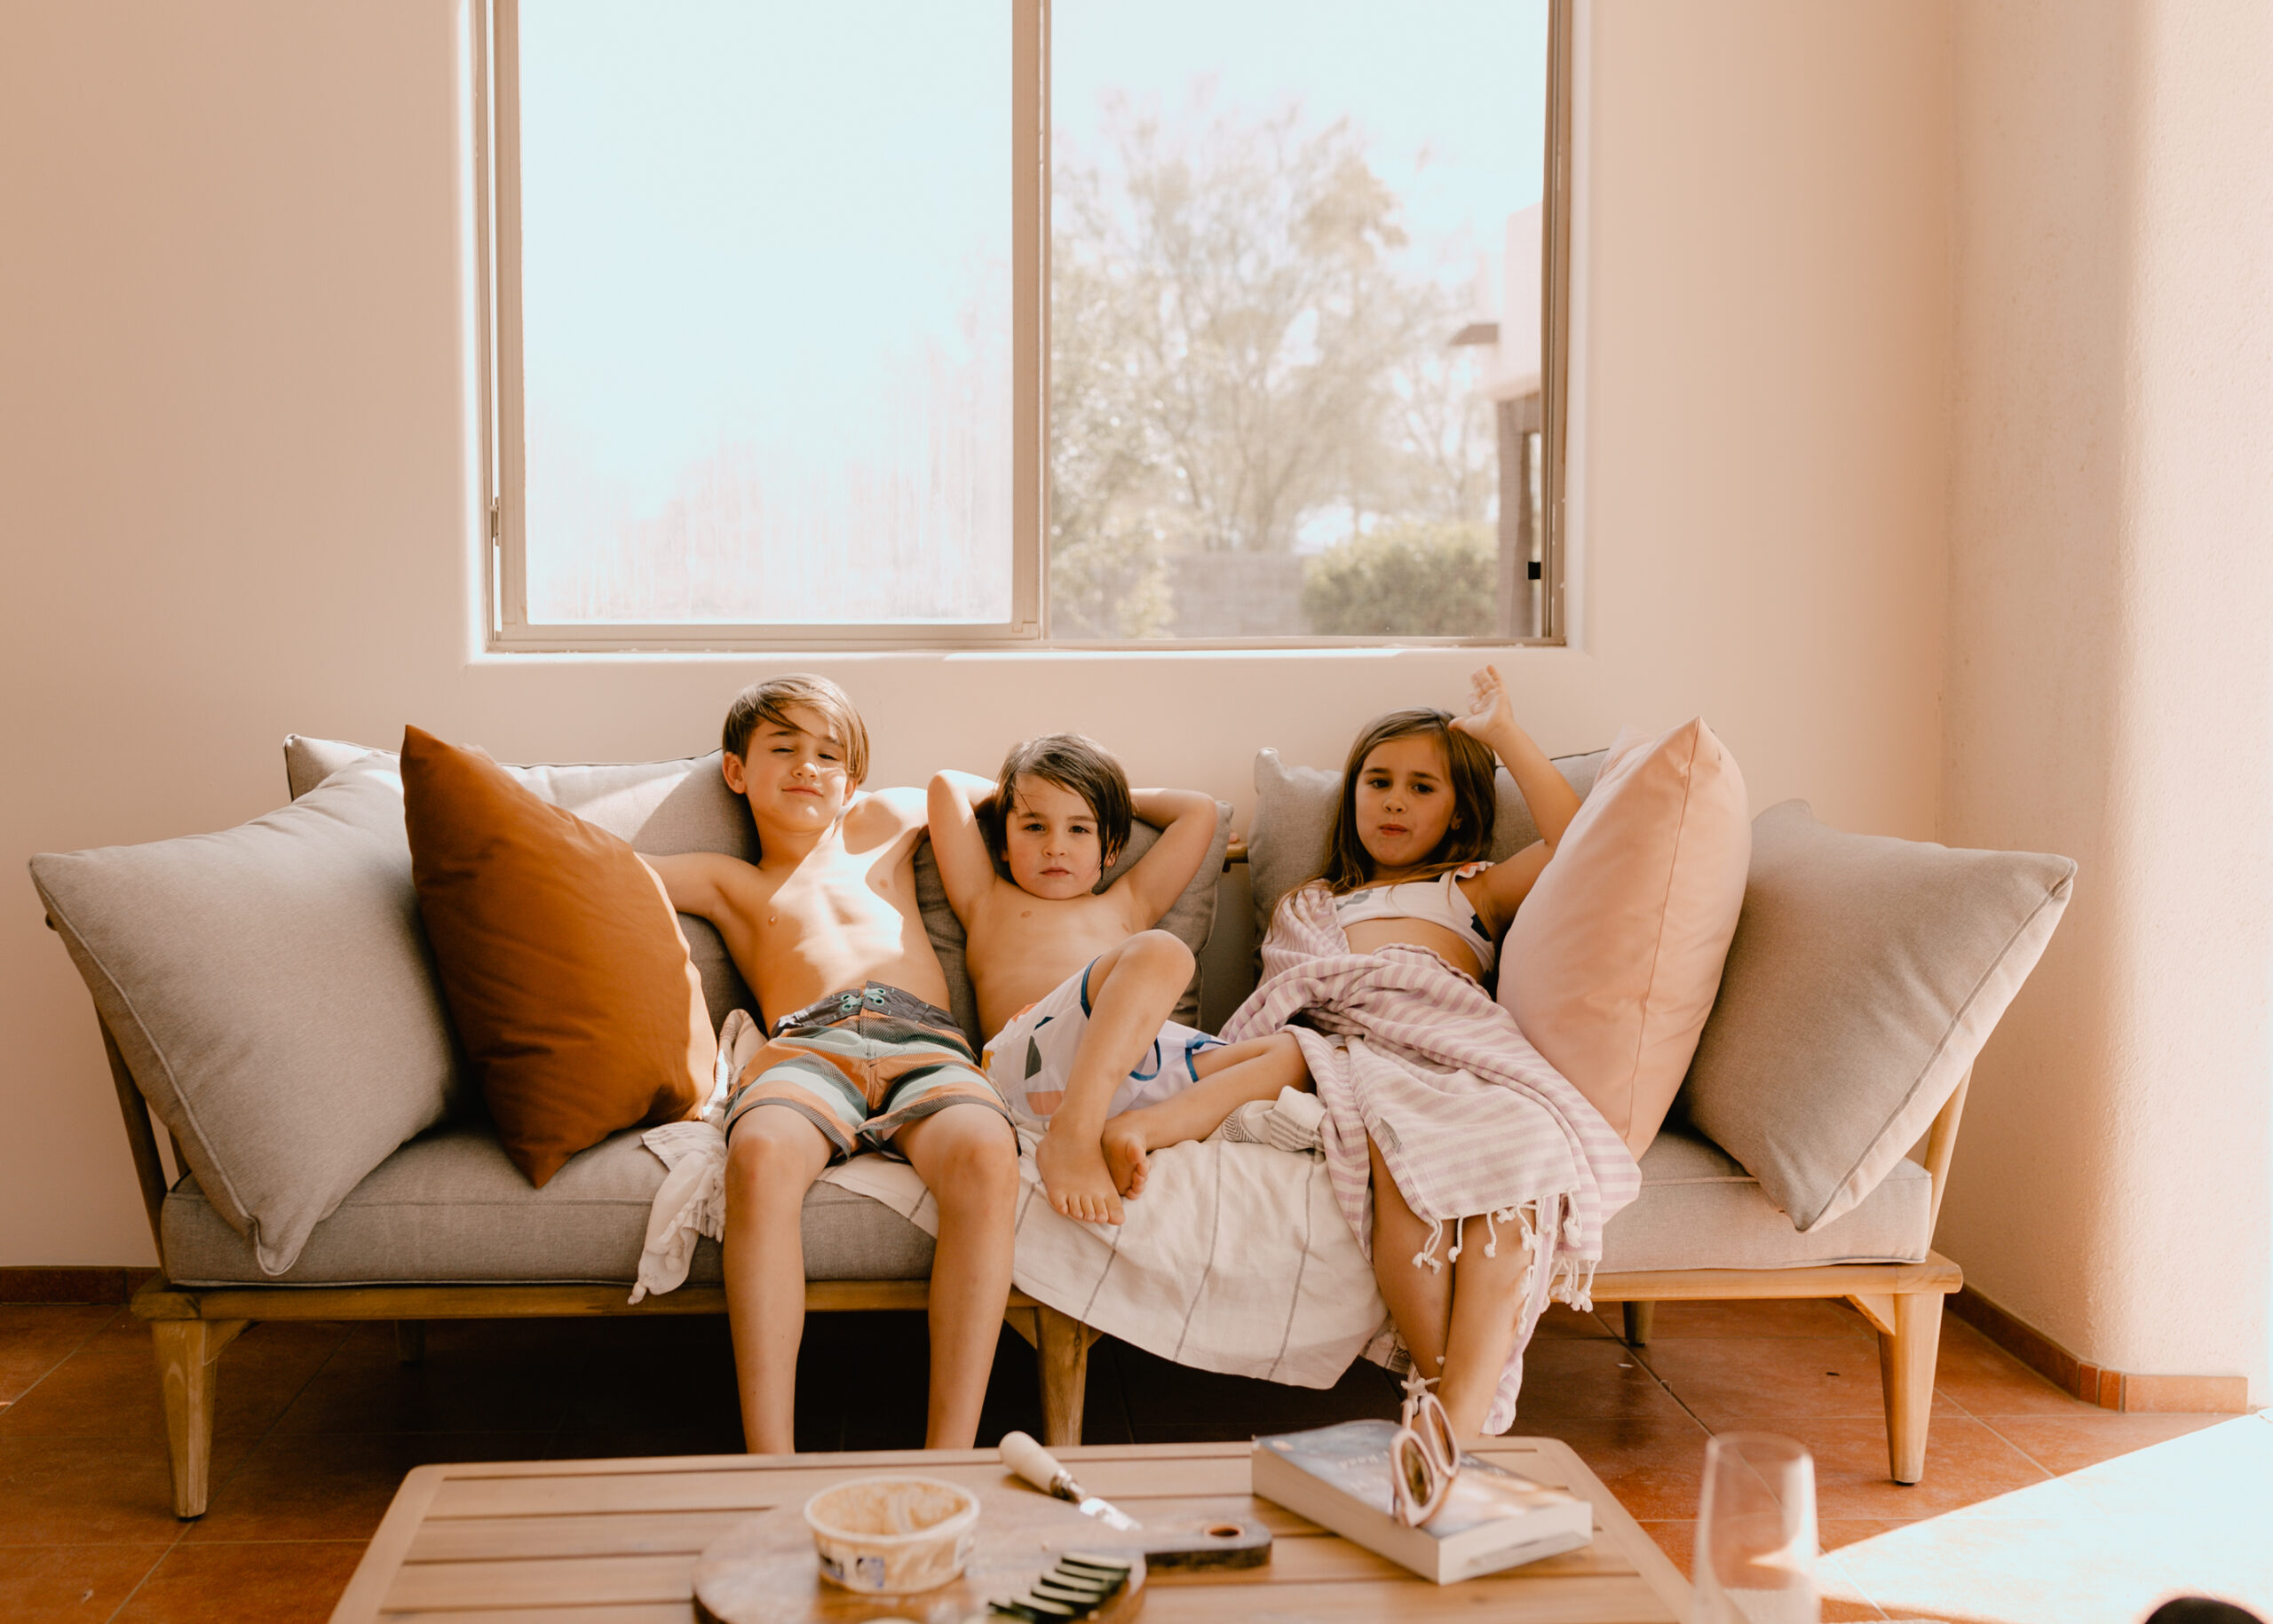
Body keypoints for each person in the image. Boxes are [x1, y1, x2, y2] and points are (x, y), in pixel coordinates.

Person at [1219, 665, 1636, 1439]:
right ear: (1352, 797)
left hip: (1459, 1050)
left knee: (1529, 1158)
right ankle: (1453, 1406)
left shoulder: (1470, 888)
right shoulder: (1314, 901)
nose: (1395, 800)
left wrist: (1506, 732)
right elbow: (1298, 988)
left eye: (1421, 787)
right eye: (1378, 781)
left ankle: (1452, 1412)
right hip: (1356, 1045)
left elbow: (1583, 845)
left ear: (1457, 813)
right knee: (1399, 1162)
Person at [645, 676, 1020, 1454]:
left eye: (829, 754)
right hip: (808, 1044)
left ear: (854, 779)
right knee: (757, 1156)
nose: (808, 767)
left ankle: (950, 1455)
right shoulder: (733, 881)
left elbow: (1004, 798)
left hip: (925, 1039)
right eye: (784, 749)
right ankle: (769, 1458)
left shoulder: (880, 823)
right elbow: (604, 869)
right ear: (736, 771)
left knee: (988, 1151)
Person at [929, 734, 1308, 1224]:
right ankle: (1073, 1134)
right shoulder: (986, 900)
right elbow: (945, 787)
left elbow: (1199, 813)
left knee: (1293, 1054)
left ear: (1110, 848)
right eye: (1034, 826)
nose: (1055, 847)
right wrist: (1032, 791)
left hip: (1135, 1069)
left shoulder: (1128, 901)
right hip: (1036, 1061)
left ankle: (1139, 1128)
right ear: (1003, 843)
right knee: (1162, 950)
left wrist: (1106, 795)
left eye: (1080, 828)